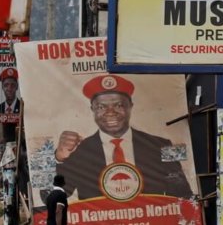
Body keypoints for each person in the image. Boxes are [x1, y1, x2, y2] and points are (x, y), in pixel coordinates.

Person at [54, 74, 193, 200]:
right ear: (92, 110)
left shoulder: (163, 145)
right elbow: (49, 197)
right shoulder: (79, 151)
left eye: (119, 105)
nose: (110, 112)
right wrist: (58, 158)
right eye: (101, 107)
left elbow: (183, 195)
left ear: (130, 107)